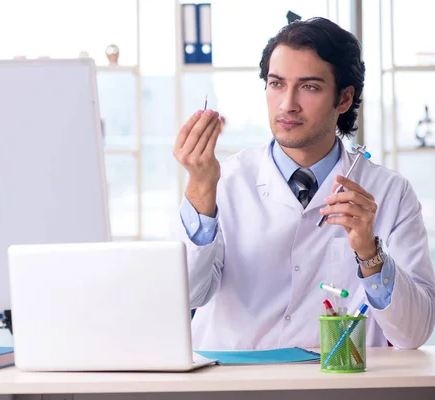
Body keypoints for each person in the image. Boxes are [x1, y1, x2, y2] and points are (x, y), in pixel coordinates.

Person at [173, 17, 435, 350]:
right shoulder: (224, 181)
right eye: (276, 83)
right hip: (234, 380)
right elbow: (189, 295)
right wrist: (199, 188)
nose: (287, 104)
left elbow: (413, 334)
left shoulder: (390, 193)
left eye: (309, 86)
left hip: (338, 386)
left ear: (343, 99)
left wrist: (370, 253)